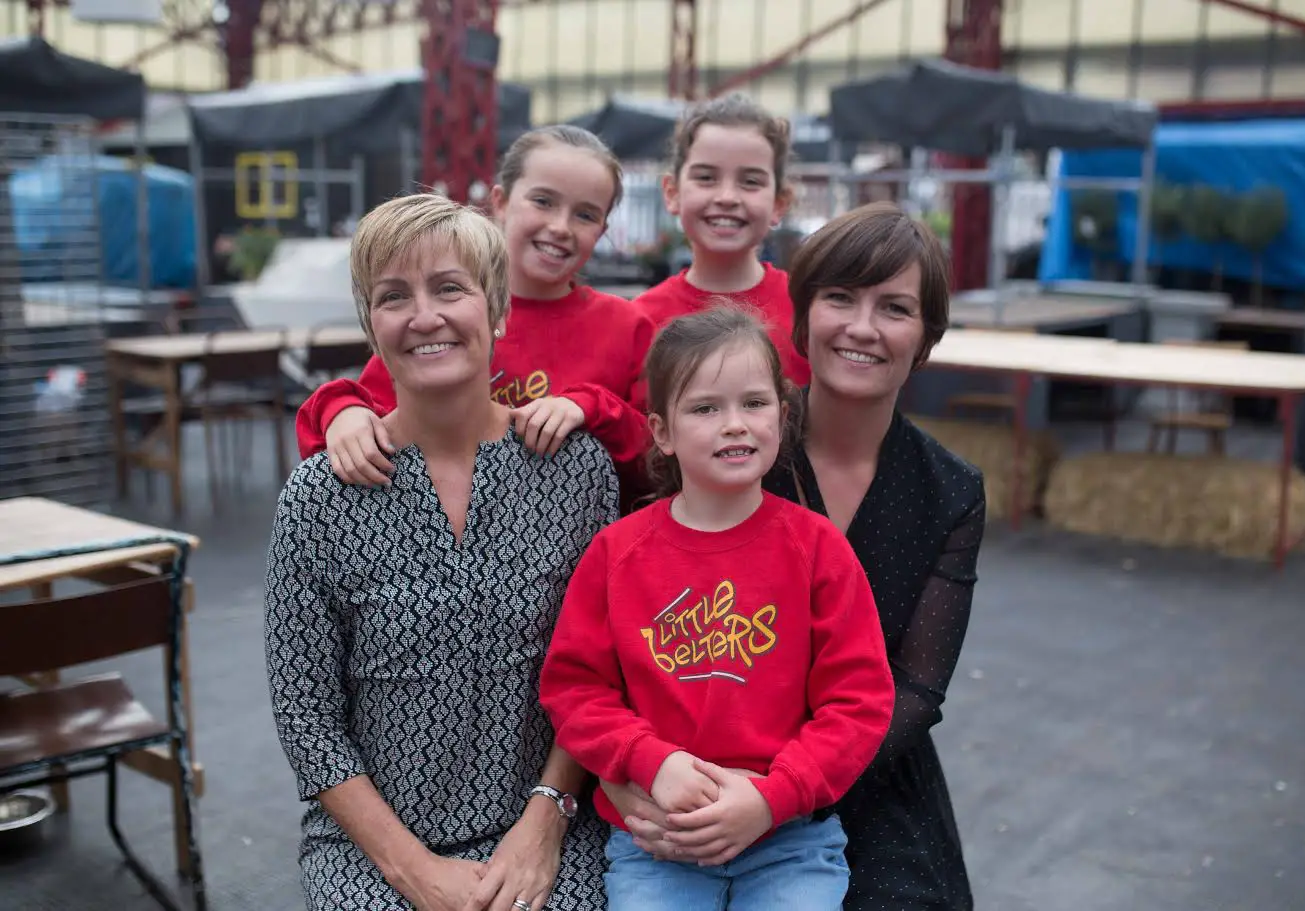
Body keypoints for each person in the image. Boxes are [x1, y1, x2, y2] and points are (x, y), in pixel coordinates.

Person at [601, 203, 986, 911]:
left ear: (927, 335)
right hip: (686, 766)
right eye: (841, 297)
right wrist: (634, 770)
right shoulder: (733, 438)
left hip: (860, 767)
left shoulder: (949, 490)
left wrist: (774, 796)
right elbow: (627, 631)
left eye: (894, 307)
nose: (863, 327)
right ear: (802, 317)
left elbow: (916, 691)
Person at [265, 194, 618, 911]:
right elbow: (307, 716)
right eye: (394, 296)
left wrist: (545, 822)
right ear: (371, 324)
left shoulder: (577, 473)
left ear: (497, 310)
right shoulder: (319, 495)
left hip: (545, 820)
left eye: (449, 288)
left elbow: (599, 672)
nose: (424, 316)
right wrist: (411, 869)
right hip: (371, 844)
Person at [539, 305, 895, 910]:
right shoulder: (617, 553)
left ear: (781, 419)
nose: (735, 425)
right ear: (662, 432)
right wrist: (651, 762)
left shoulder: (817, 550)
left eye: (754, 404)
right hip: (657, 839)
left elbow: (857, 702)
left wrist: (772, 798)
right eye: (706, 409)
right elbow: (576, 689)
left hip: (787, 841)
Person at [297, 125, 655, 503]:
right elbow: (364, 414)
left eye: (585, 214)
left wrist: (592, 408)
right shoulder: (439, 325)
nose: (559, 226)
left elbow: (661, 456)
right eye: (543, 202)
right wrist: (340, 413)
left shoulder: (626, 327)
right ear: (500, 201)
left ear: (602, 230)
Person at [633, 93, 811, 387]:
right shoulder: (638, 321)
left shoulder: (807, 314)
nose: (727, 197)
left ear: (779, 202)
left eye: (750, 182)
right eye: (706, 178)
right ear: (672, 192)